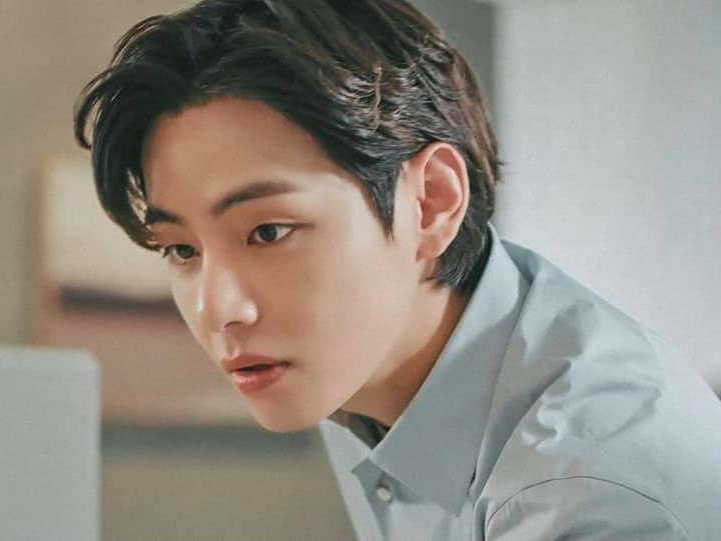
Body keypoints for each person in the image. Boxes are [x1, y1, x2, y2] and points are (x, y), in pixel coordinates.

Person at [73, 1, 721, 539]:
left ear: (431, 201)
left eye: (268, 232)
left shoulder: (587, 492)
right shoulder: (369, 373)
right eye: (181, 250)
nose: (218, 310)